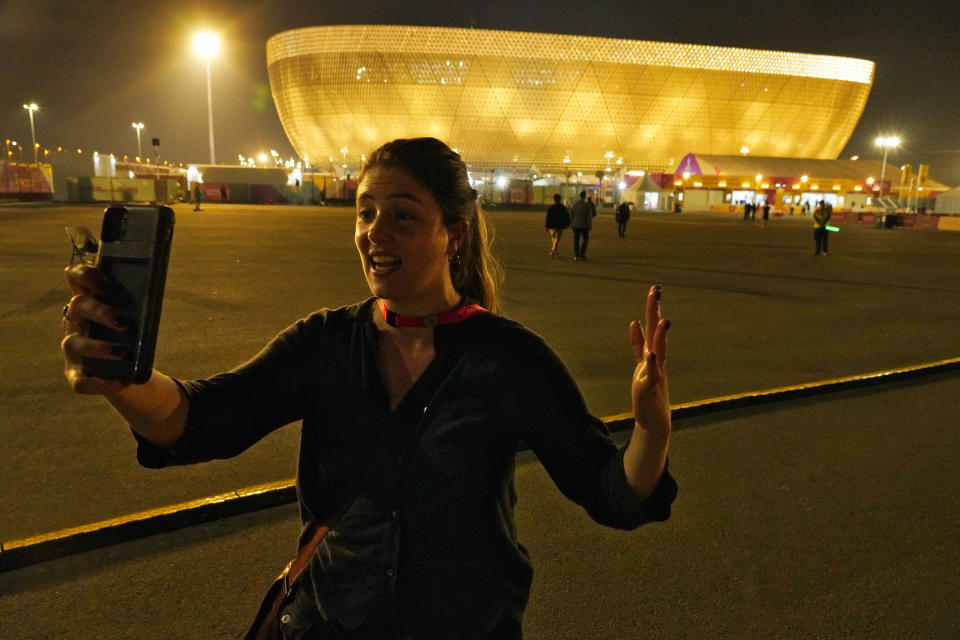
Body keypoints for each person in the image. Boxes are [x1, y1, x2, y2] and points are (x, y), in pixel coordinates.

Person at [60, 137, 676, 639]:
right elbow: (201, 419)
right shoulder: (325, 343)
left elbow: (609, 489)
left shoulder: (509, 358)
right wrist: (123, 377)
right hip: (329, 628)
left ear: (453, 233)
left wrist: (651, 428)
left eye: (403, 215)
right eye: (365, 212)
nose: (374, 232)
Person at [570, 190, 596, 260]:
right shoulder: (587, 205)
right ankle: (582, 254)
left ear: (579, 196)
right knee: (585, 239)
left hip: (575, 225)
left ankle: (576, 255)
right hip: (584, 225)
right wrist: (590, 225)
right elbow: (589, 216)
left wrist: (571, 223)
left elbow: (572, 214)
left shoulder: (575, 204)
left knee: (576, 240)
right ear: (584, 197)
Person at [544, 193, 570, 258]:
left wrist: (546, 225)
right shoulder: (562, 207)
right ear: (560, 199)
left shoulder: (551, 207)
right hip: (560, 226)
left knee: (553, 238)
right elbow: (567, 216)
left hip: (552, 226)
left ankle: (554, 250)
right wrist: (567, 224)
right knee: (557, 239)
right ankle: (554, 250)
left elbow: (548, 217)